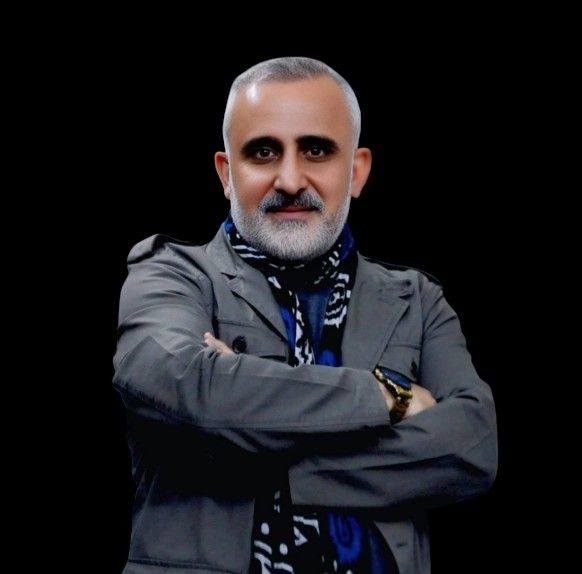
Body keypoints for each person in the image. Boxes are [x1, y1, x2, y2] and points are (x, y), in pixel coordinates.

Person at [112, 56, 498, 574]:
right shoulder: (172, 275)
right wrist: (389, 397)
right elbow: (179, 382)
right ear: (227, 173)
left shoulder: (418, 299)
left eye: (316, 150)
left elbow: (473, 447)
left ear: (356, 171)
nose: (290, 179)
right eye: (263, 152)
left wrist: (268, 456)